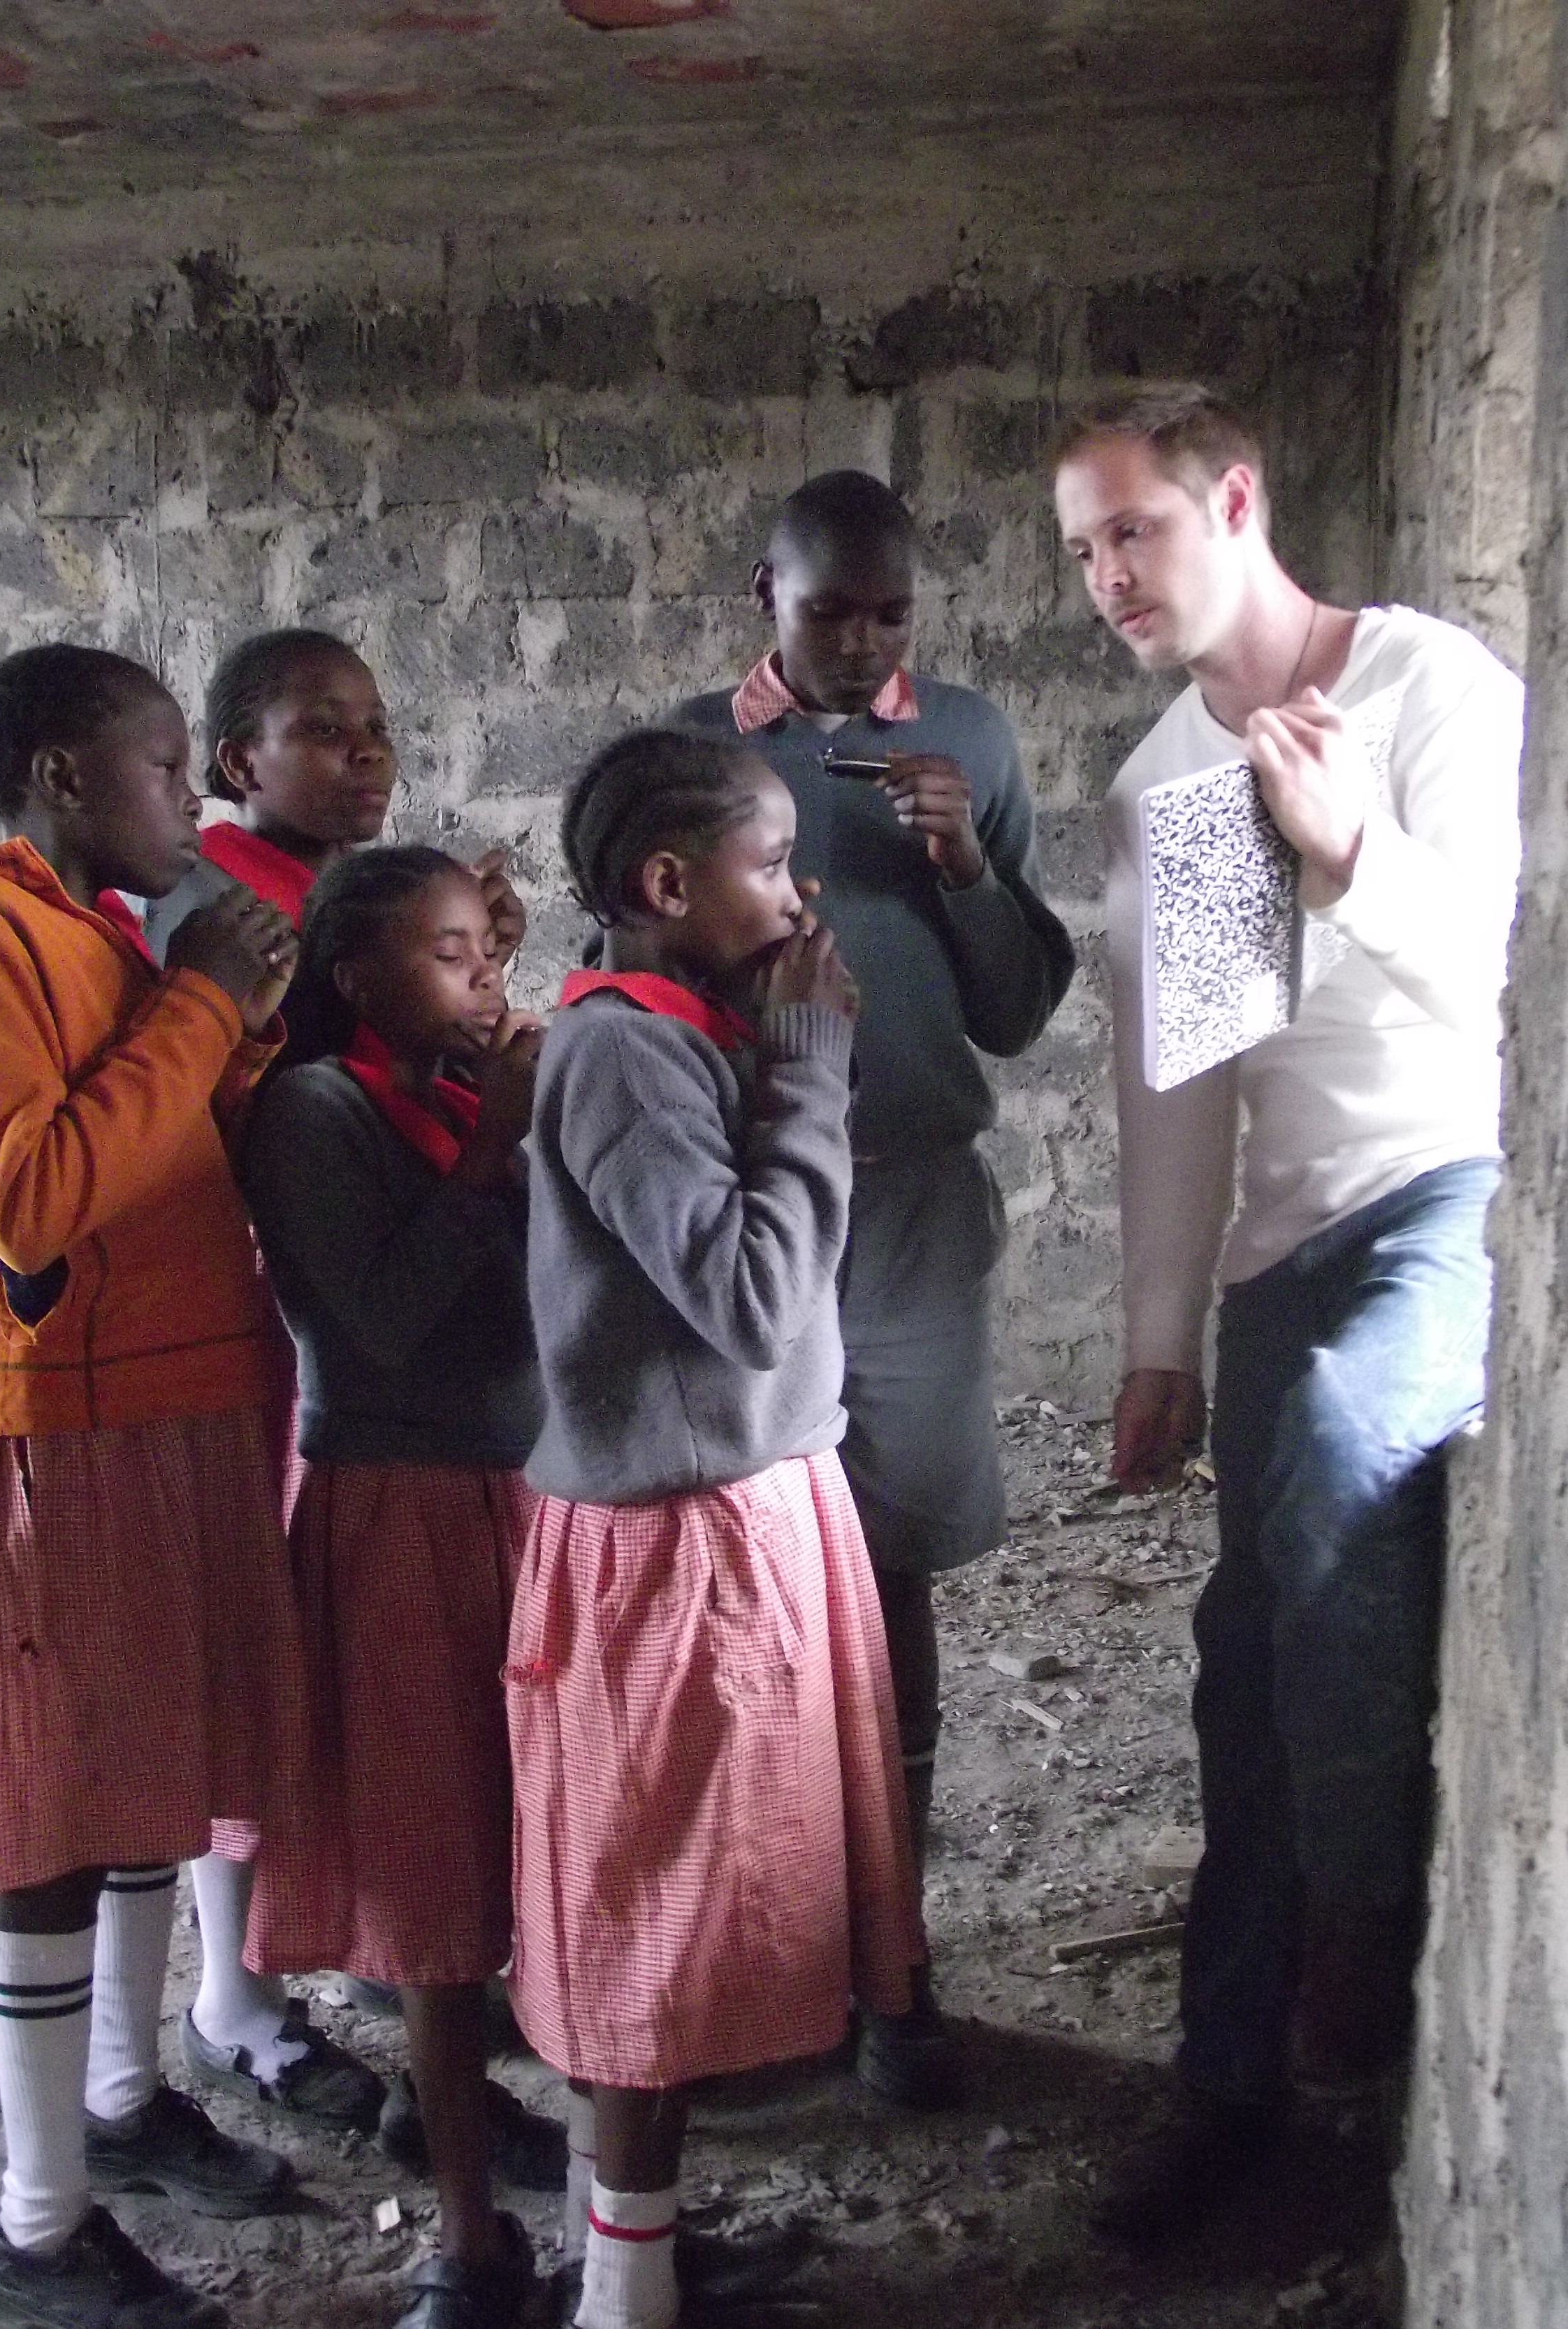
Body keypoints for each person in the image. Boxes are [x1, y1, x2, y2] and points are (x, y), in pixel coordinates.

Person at [1052, 384, 1523, 2236]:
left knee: (1338, 1443)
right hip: (1283, 1243)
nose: (1102, 573)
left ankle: (1363, 1918)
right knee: (1237, 1654)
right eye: (1081, 546)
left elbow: (1498, 978)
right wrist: (1159, 1328)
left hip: (1442, 1194)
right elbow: (1188, 1087)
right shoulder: (1175, 780)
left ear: (1231, 500)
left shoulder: (1423, 688)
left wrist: (1343, 851)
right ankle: (1231, 2086)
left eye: (1130, 530)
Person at [0, 643, 316, 2328]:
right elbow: (38, 1201)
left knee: (151, 1782)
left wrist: (239, 1035)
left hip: (185, 1398)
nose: (188, 801)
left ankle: (124, 2102)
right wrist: (202, 1000)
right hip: (60, 1420)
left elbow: (166, 1148)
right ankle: (34, 2224)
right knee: (56, 1817)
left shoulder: (113, 936)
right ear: (59, 774)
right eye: (154, 766)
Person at [509, 728, 925, 2329]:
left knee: (686, 1914)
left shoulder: (682, 1027)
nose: (797, 891)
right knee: (652, 1914)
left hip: (741, 1503)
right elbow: (748, 1298)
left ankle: (645, 2254)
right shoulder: (621, 1053)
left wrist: (781, 1063)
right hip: (673, 1542)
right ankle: (623, 2296)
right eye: (767, 864)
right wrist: (811, 1066)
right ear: (667, 884)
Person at [667, 471, 1075, 2102]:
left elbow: (1015, 1014)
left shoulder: (966, 742)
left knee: (889, 1564)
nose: (854, 640)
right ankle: (771, 1964)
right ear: (763, 587)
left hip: (906, 1207)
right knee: (755, 1571)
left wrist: (965, 865)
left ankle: (892, 1968)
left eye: (887, 612)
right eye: (824, 606)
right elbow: (644, 963)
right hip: (755, 1210)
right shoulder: (695, 756)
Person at [137, 628, 523, 2131]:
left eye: (379, 726)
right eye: (326, 731)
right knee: (312, 1685)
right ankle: (261, 1989)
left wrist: (465, 967)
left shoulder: (340, 914)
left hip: (411, 1386)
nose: (368, 752)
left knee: (400, 1705)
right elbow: (294, 1077)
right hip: (278, 1340)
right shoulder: (218, 902)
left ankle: (410, 1953)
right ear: (240, 763)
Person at [235, 844, 567, 2328]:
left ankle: (606, 2209)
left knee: (541, 1836)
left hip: (516, 1495)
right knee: (436, 1876)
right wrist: (497, 1145)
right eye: (445, 954)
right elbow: (376, 1321)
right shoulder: (315, 1109)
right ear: (354, 978)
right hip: (397, 1514)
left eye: (486, 951)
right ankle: (463, 2232)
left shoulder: (443, 1086)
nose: (481, 977)